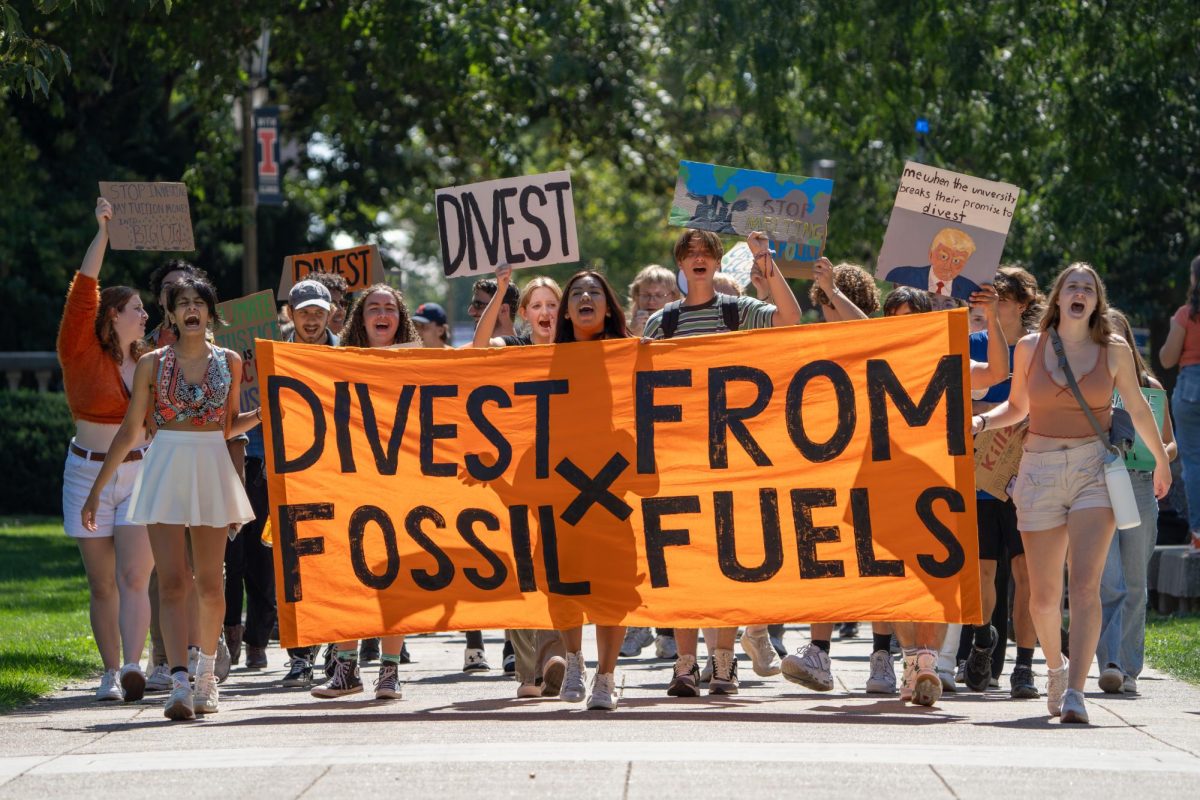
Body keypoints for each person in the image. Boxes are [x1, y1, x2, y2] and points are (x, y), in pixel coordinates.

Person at [973, 263, 1170, 724]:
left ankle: (1077, 691)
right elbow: (1018, 407)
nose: (1079, 293)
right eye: (1072, 287)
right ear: (1058, 299)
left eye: (1088, 288)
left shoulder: (1115, 350)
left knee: (1084, 586)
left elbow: (1138, 410)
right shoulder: (1029, 347)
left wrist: (1161, 460)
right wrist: (982, 420)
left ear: (1096, 301)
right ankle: (1055, 668)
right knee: (1043, 598)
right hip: (1038, 467)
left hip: (1092, 470)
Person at [82, 275, 260, 720]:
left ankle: (205, 677)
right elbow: (130, 431)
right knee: (174, 581)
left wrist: (266, 411)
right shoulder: (153, 364)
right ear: (172, 313)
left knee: (211, 581)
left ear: (211, 311)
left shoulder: (231, 361)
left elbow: (228, 427)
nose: (191, 309)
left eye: (199, 302)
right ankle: (178, 681)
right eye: (183, 303)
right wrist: (97, 490)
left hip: (210, 467)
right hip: (164, 467)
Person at [642, 229, 802, 698]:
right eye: (689, 253)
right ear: (680, 263)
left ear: (715, 264)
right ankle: (685, 665)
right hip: (680, 461)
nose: (698, 259)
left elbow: (790, 319)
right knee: (686, 565)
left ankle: (724, 664)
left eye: (705, 253)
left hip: (733, 460)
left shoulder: (739, 312)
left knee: (728, 565)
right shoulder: (661, 324)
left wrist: (764, 259)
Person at [873, 280, 1009, 707]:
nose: (905, 329)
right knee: (895, 580)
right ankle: (913, 661)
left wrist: (996, 322)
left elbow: (997, 373)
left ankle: (927, 663)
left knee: (934, 577)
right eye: (895, 322)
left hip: (938, 485)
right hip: (887, 482)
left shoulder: (949, 361)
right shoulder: (869, 361)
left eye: (914, 320)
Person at [57, 197, 155, 703]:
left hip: (139, 474)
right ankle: (110, 672)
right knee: (103, 585)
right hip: (86, 475)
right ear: (113, 315)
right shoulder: (78, 350)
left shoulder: (150, 362)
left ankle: (135, 666)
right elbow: (82, 292)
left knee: (135, 574)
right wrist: (103, 232)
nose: (146, 315)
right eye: (137, 308)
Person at [310, 283, 418, 701]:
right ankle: (346, 670)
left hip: (401, 479)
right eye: (373, 306)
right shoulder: (337, 362)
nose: (381, 312)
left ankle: (389, 672)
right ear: (360, 318)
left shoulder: (415, 359)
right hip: (349, 479)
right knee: (346, 576)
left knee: (394, 577)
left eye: (389, 307)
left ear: (399, 317)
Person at [553, 270, 633, 710]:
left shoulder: (631, 354)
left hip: (613, 483)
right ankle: (573, 660)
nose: (586, 297)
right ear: (567, 309)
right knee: (566, 581)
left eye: (595, 292)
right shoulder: (545, 359)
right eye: (577, 293)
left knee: (611, 585)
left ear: (608, 306)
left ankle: (605, 676)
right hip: (563, 484)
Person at [962, 267, 1043, 699]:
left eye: (1006, 298)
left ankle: (1025, 667)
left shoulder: (1042, 348)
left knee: (1025, 572)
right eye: (991, 297)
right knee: (982, 571)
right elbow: (968, 394)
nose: (997, 304)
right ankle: (980, 641)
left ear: (1025, 303)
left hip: (1028, 476)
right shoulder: (974, 344)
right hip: (980, 475)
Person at [1098, 308, 1176, 694]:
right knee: (1107, 580)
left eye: (1116, 338)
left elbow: (1172, 443)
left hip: (1141, 485)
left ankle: (1129, 666)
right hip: (1098, 484)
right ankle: (1110, 662)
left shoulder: (1150, 387)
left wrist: (1161, 455)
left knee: (1134, 581)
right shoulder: (1089, 384)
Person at [1158, 254, 1200, 551]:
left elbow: (1167, 359)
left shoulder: (1187, 315)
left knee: (1194, 463)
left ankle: (1198, 533)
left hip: (1191, 388)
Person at [471, 268, 561, 348]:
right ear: (524, 314)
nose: (545, 312)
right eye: (536, 306)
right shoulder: (516, 345)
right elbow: (481, 344)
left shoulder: (573, 341)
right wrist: (500, 292)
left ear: (562, 309)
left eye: (551, 305)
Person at [885, 227, 982, 300]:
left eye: (956, 261)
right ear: (931, 254)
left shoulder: (973, 292)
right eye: (943, 257)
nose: (948, 266)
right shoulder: (900, 276)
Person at [626, 264, 680, 337]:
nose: (651, 302)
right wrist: (634, 335)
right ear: (636, 297)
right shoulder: (622, 329)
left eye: (659, 295)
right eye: (645, 295)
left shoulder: (683, 325)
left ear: (674, 297)